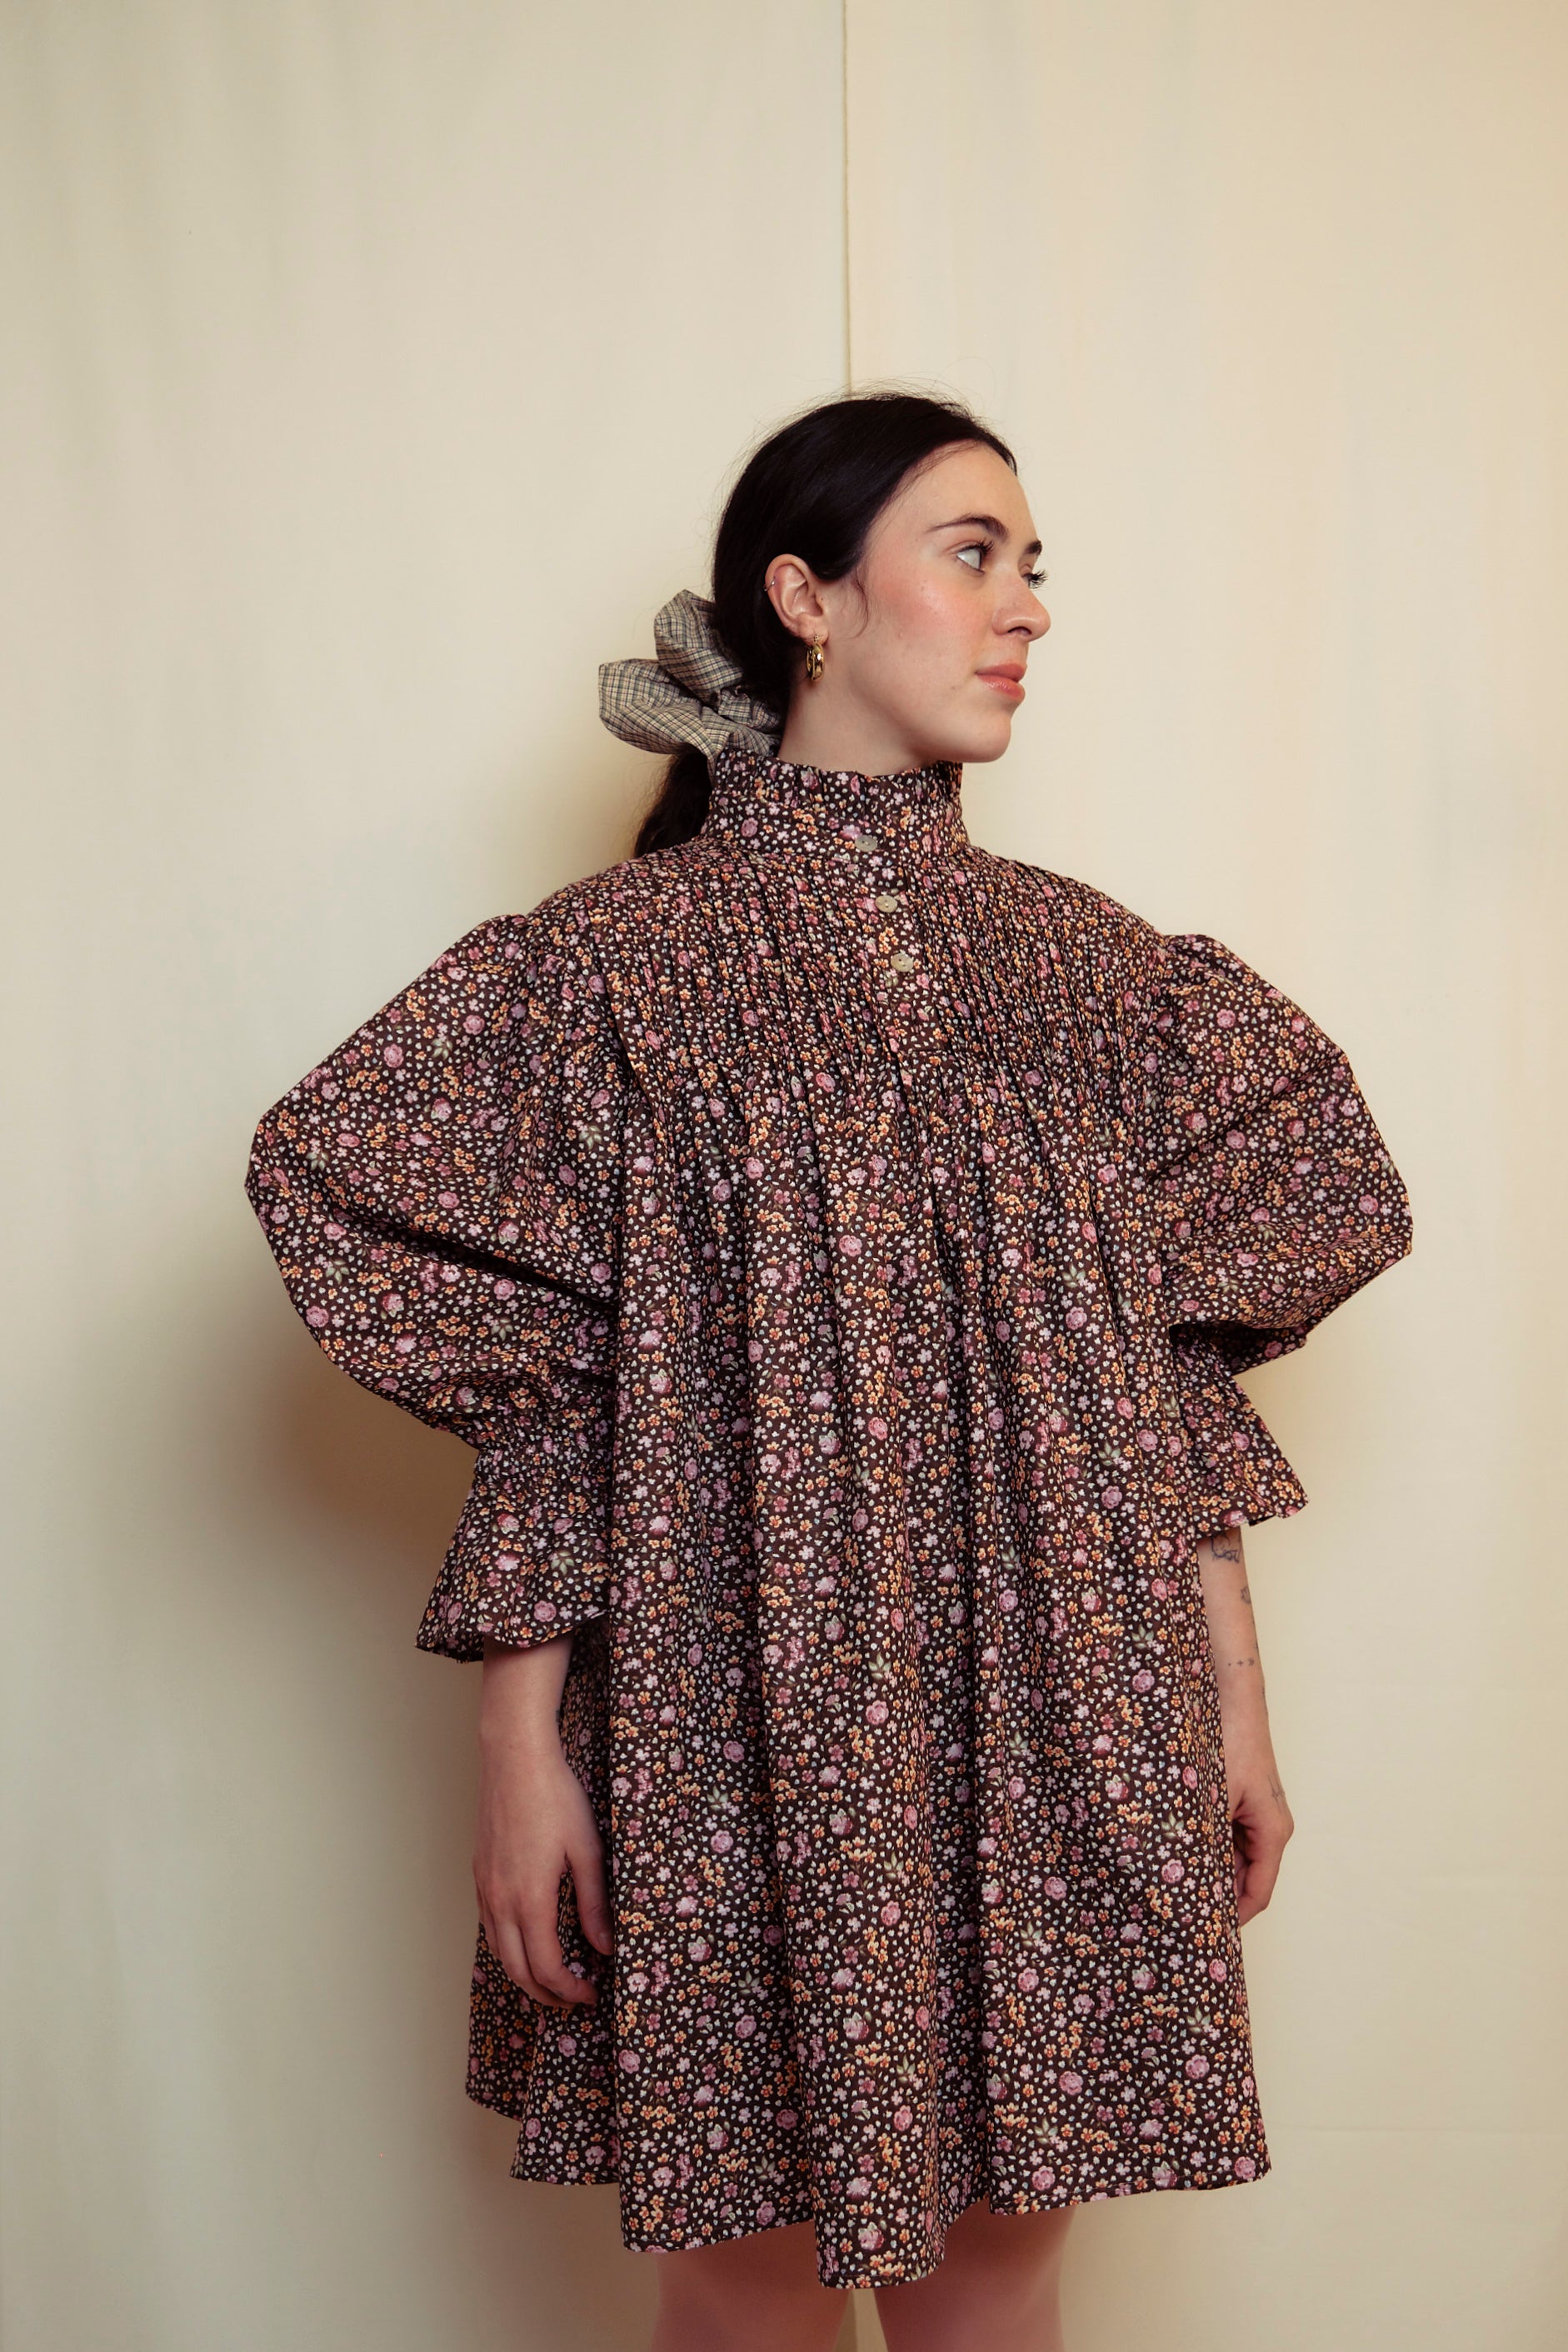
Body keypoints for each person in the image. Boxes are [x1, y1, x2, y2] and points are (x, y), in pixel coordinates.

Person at [245, 390, 1413, 2351]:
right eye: (971, 554)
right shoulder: (605, 969)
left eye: (1031, 564)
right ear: (805, 598)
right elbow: (542, 1391)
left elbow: (1162, 1385)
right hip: (720, 1718)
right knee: (751, 2279)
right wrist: (519, 1751)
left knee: (1003, 2271)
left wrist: (1230, 1702)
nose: (1025, 605)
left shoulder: (1097, 973)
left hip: (1063, 1699)